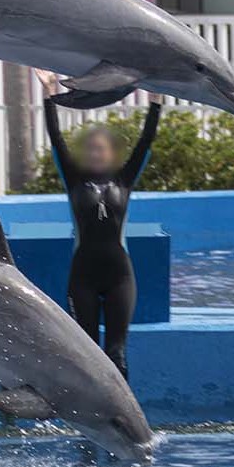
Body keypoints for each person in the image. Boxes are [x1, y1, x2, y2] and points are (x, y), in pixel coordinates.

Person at [36, 69, 163, 380]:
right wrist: (49, 95)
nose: (95, 153)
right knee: (87, 352)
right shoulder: (73, 179)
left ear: (111, 153)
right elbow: (56, 138)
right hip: (83, 278)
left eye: (101, 148)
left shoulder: (125, 179)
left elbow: (146, 140)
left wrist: (156, 102)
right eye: (91, 149)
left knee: (116, 351)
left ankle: (123, 423)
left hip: (120, 276)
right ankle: (90, 419)